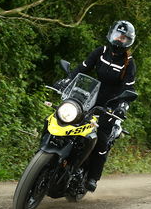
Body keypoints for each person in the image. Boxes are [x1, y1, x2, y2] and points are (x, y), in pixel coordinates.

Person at [55, 20, 137, 192]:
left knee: (101, 139)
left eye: (124, 38)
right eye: (117, 35)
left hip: (108, 107)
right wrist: (67, 80)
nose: (119, 40)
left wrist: (122, 106)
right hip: (89, 98)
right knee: (63, 120)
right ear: (111, 34)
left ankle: (92, 176)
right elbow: (82, 68)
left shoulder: (129, 63)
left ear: (129, 41)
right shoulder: (101, 51)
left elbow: (129, 89)